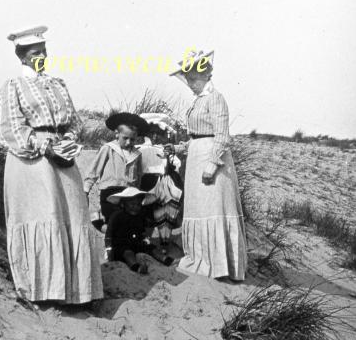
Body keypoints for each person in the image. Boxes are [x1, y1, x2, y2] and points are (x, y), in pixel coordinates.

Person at [0, 26, 103, 304]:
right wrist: (45, 147)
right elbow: (12, 128)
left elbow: (74, 121)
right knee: (45, 215)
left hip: (62, 155)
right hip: (32, 162)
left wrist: (67, 141)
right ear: (21, 56)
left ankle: (75, 290)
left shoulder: (58, 84)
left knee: (73, 214)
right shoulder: (13, 86)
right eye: (35, 53)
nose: (41, 56)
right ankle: (44, 290)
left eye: (44, 51)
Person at [166, 50, 247, 281]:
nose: (190, 83)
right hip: (195, 158)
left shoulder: (216, 98)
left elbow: (221, 136)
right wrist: (179, 149)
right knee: (198, 210)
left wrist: (212, 165)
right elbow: (196, 137)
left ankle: (219, 266)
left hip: (213, 161)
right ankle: (200, 259)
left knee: (213, 210)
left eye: (194, 79)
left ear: (205, 76)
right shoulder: (199, 101)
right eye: (189, 79)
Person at [83, 112, 149, 231]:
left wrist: (137, 192)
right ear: (117, 134)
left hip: (128, 193)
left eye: (132, 139)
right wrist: (86, 188)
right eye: (125, 138)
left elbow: (138, 175)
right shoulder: (109, 149)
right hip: (110, 191)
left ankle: (128, 246)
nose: (128, 142)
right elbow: (95, 168)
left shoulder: (136, 154)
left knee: (129, 220)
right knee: (112, 219)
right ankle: (110, 242)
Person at [137, 113, 183, 263]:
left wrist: (168, 161)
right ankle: (144, 239)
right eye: (152, 132)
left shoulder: (166, 151)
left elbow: (175, 167)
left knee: (168, 196)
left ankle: (164, 242)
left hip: (162, 186)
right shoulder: (138, 148)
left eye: (158, 132)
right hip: (144, 186)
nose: (155, 136)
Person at [104, 187, 153, 274]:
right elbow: (108, 236)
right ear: (123, 204)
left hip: (135, 244)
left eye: (138, 204)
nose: (136, 207)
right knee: (128, 253)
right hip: (119, 247)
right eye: (132, 204)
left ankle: (168, 261)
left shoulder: (139, 217)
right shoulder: (116, 216)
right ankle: (136, 267)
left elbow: (141, 232)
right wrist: (109, 252)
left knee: (152, 248)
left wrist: (145, 240)